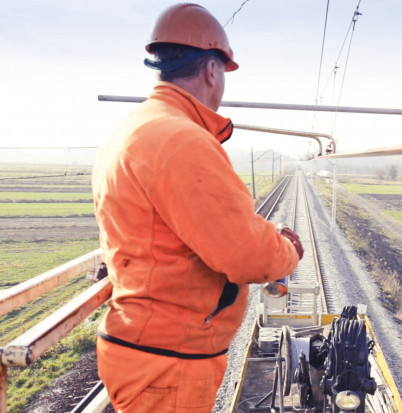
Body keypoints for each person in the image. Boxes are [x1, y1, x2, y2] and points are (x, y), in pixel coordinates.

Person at [91, 4, 303, 412]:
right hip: (168, 363)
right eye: (223, 72)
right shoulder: (182, 140)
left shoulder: (135, 128)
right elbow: (247, 254)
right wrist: (288, 250)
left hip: (145, 347)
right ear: (211, 70)